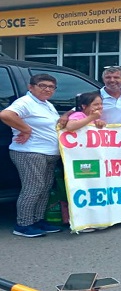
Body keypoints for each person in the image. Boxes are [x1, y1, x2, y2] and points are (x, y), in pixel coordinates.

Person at [0, 74, 63, 237]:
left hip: (48, 153)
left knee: (44, 188)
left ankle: (37, 220)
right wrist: (26, 129)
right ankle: (23, 224)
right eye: (42, 85)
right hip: (30, 152)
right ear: (31, 87)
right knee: (33, 188)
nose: (47, 89)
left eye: (51, 87)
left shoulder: (46, 104)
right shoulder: (25, 102)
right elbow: (6, 115)